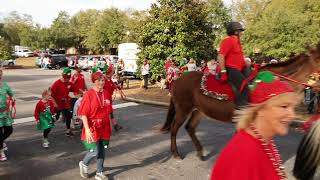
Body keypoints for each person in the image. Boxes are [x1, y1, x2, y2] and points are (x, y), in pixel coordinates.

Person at [211, 71, 300, 180]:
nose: (292, 115)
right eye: (284, 106)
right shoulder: (242, 155)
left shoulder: (266, 140)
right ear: (260, 109)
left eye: (293, 108)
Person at [78, 69, 112, 180]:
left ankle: (100, 172)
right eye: (99, 80)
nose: (101, 82)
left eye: (102, 80)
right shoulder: (88, 95)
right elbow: (83, 114)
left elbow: (109, 110)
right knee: (94, 151)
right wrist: (87, 129)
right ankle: (83, 164)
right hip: (92, 126)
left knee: (102, 150)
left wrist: (111, 123)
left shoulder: (106, 93)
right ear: (94, 81)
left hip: (104, 126)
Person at [218, 21, 248, 107]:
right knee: (244, 86)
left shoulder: (237, 42)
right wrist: (223, 72)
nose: (241, 33)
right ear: (236, 32)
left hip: (239, 69)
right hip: (231, 69)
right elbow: (221, 56)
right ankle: (241, 111)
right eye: (240, 31)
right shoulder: (228, 41)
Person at [51, 68, 76, 137]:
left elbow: (75, 88)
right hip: (57, 104)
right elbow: (51, 96)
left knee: (69, 115)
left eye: (68, 78)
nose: (67, 80)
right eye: (65, 78)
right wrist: (55, 104)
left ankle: (68, 131)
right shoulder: (56, 84)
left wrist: (83, 92)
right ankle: (47, 128)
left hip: (66, 103)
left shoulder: (69, 83)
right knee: (56, 117)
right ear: (62, 76)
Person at [103, 64, 123, 132]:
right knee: (107, 113)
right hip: (104, 100)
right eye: (112, 71)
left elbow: (112, 86)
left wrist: (117, 86)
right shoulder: (103, 80)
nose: (113, 73)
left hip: (109, 99)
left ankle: (115, 125)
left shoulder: (109, 79)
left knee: (110, 112)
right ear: (109, 72)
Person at [0, 69, 15, 161]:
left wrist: (11, 97)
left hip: (5, 113)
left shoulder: (5, 85)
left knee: (9, 130)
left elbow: (11, 94)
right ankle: (1, 152)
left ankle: (1, 141)